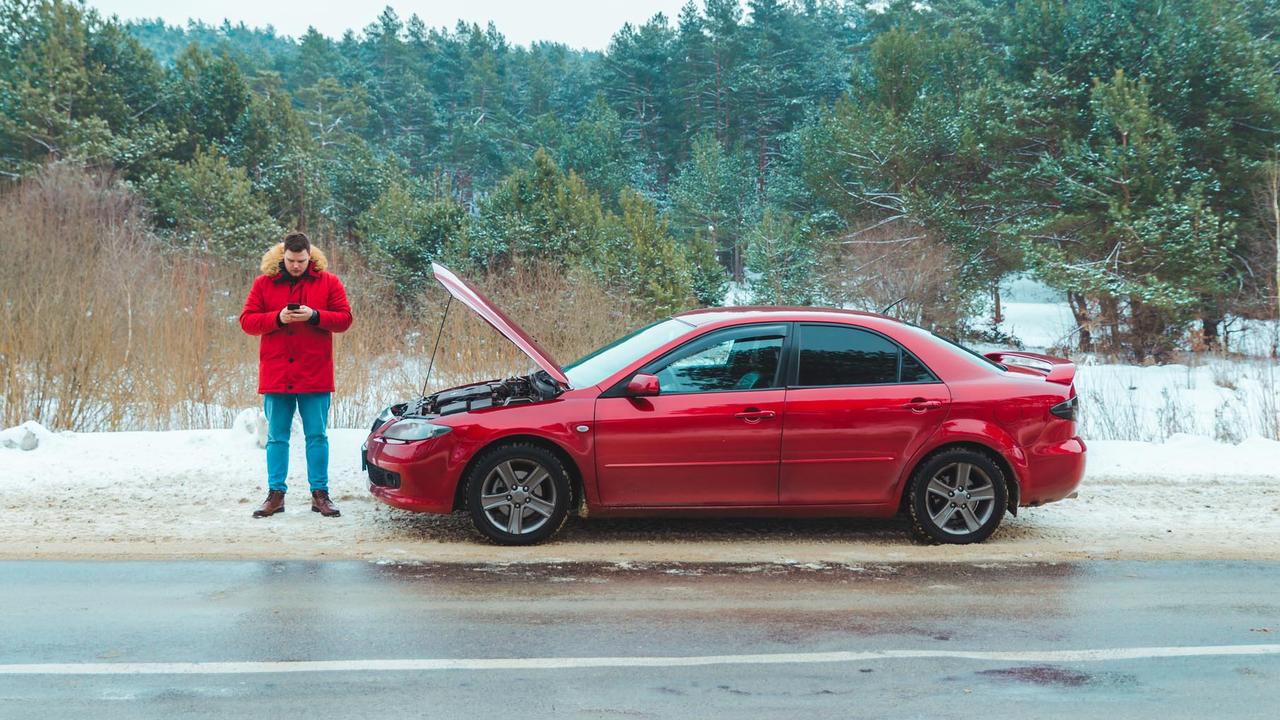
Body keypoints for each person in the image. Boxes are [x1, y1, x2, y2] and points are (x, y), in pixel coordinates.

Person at [239, 231, 353, 518]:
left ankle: (320, 495)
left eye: (301, 261)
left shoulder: (329, 282)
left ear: (310, 256)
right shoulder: (264, 283)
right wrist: (277, 318)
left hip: (315, 373)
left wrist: (315, 316)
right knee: (276, 437)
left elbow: (344, 319)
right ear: (283, 256)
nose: (296, 266)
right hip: (277, 373)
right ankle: (275, 495)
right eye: (291, 260)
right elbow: (247, 322)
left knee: (317, 435)